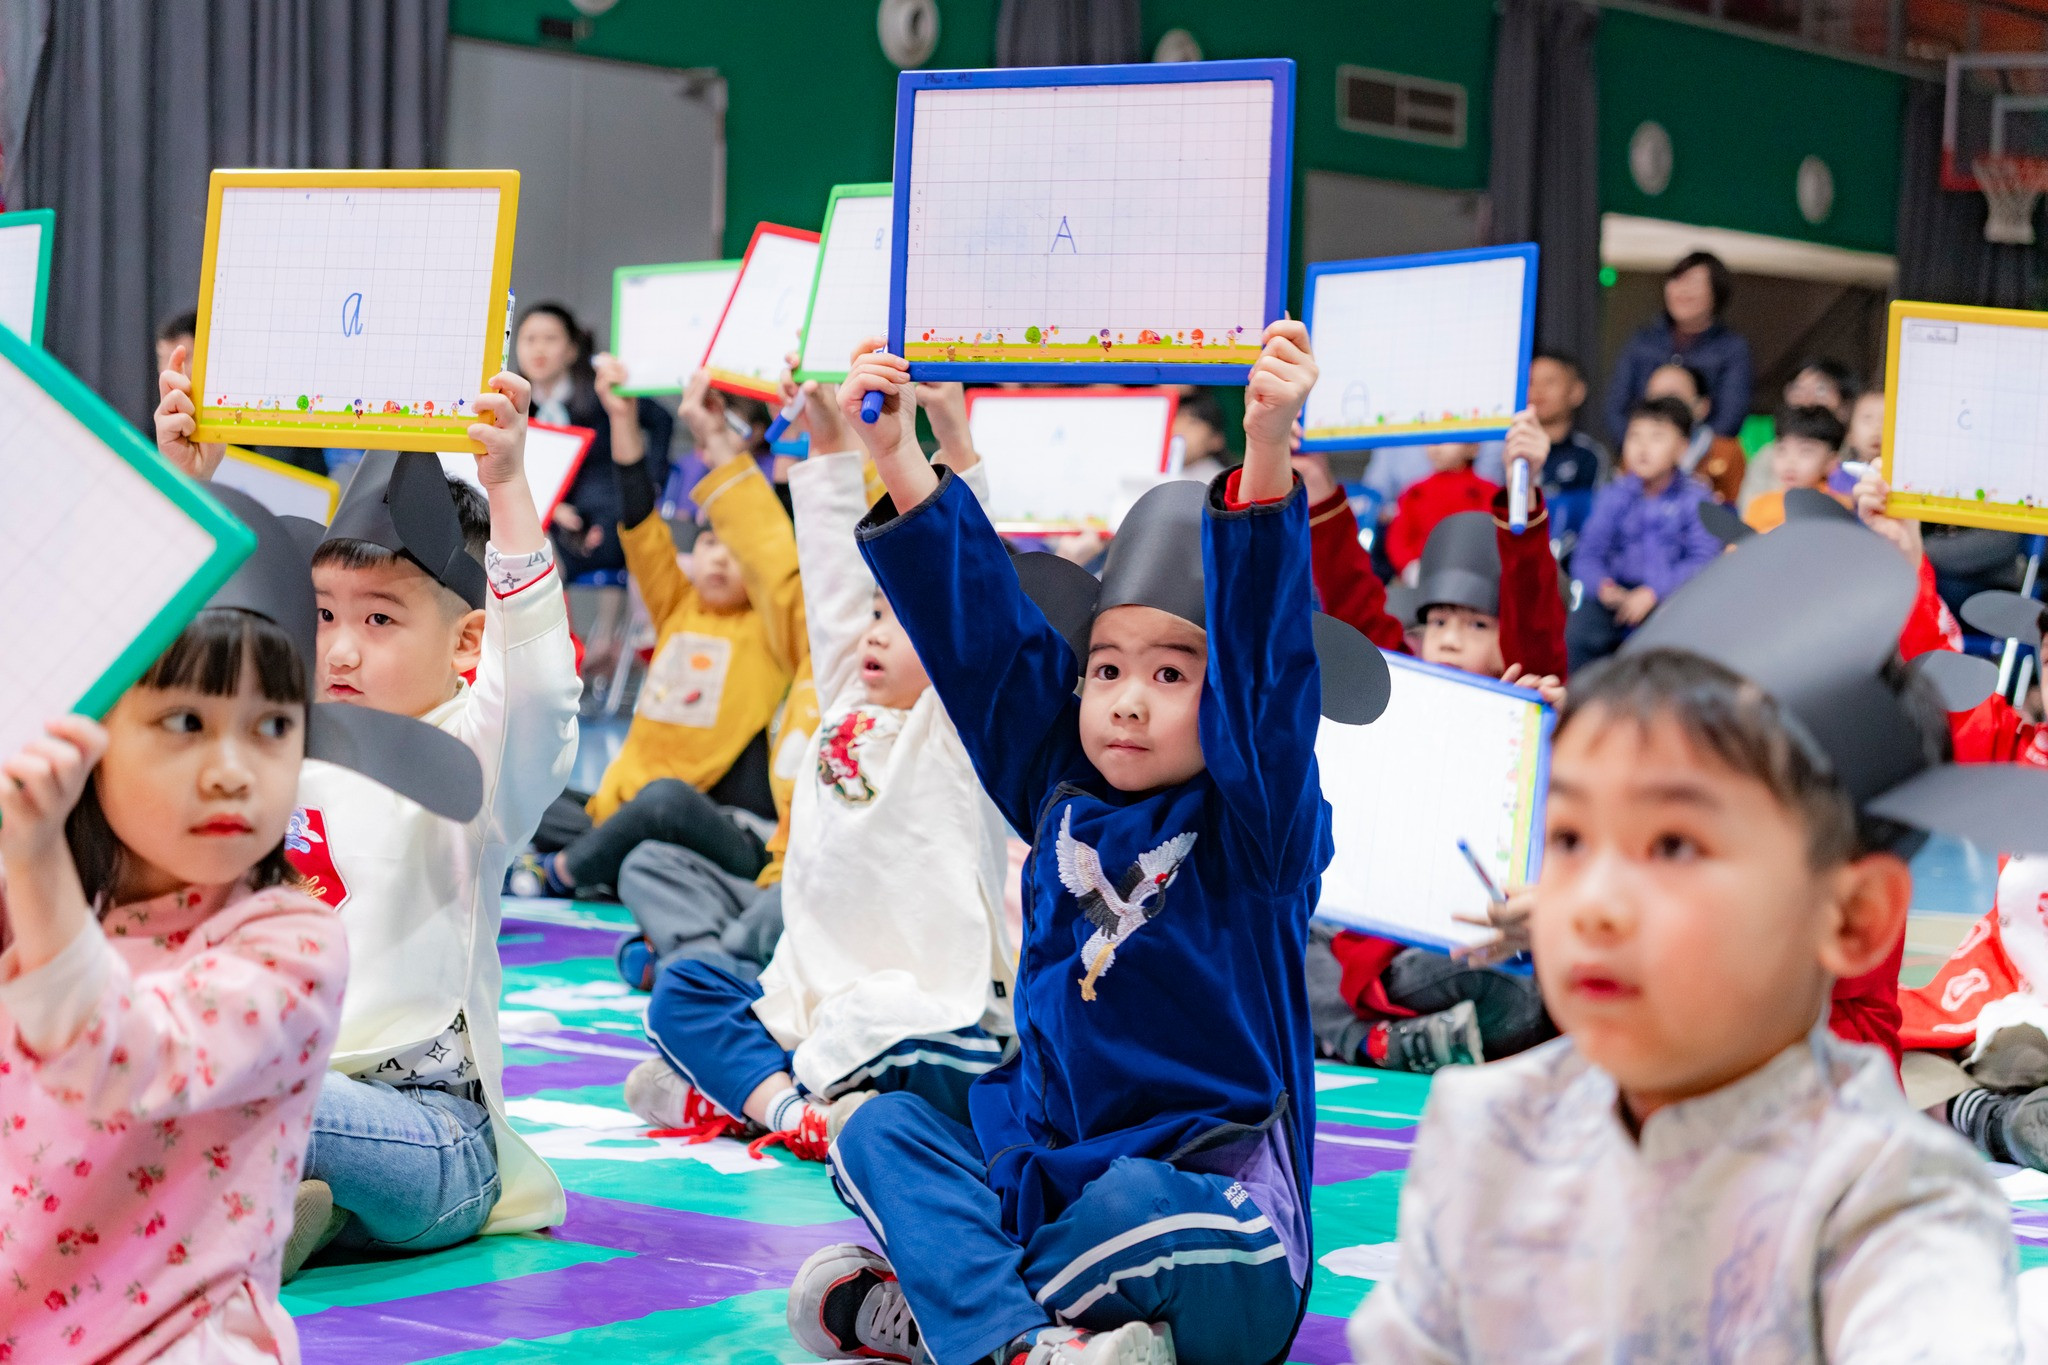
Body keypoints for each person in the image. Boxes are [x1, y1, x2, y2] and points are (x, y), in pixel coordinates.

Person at [786, 323, 1388, 1365]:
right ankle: (1026, 1340)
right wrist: (894, 455)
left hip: (1203, 1207)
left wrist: (1265, 447)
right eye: (1106, 669)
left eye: (1169, 675)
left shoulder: (1260, 831)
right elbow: (980, 640)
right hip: (1049, 1183)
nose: (1125, 702)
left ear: (1219, 695)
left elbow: (1268, 682)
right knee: (879, 1127)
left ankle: (949, 1309)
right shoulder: (1057, 784)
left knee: (1168, 1218)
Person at [1349, 521, 2038, 1361]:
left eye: (1673, 848)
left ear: (1853, 916)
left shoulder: (1896, 1204)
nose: (1595, 903)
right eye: (1571, 840)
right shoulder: (1484, 1128)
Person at [0, 484, 478, 1361]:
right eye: (186, 722)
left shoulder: (289, 940)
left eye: (270, 727)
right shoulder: (60, 907)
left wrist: (33, 873)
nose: (231, 769)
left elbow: (125, 1067)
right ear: (91, 734)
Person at [156, 360, 581, 1269]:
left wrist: (507, 486)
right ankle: (294, 1215)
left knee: (226, 1090)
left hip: (437, 1144)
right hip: (275, 1094)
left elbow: (541, 693)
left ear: (468, 642)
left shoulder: (471, 756)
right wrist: (184, 491)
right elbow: (168, 680)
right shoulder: (277, 743)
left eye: (381, 620)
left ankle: (260, 1208)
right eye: (322, 614)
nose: (340, 647)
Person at [621, 360, 1015, 1163]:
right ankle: (798, 1111)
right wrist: (829, 442)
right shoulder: (845, 699)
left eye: (900, 622)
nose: (874, 630)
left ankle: (747, 1095)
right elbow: (833, 586)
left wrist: (957, 443)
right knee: (685, 990)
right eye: (879, 613)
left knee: (950, 1064)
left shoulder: (959, 723)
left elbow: (979, 598)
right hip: (811, 996)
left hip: (921, 1009)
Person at [1294, 415, 1564, 1074]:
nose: (1446, 636)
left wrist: (1522, 499)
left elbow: (1535, 619)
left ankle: (1381, 1036)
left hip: (1492, 955)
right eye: (1436, 620)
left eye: (1473, 623)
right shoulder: (1409, 699)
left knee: (1512, 990)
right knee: (1284, 939)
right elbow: (1359, 606)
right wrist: (1325, 494)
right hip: (1394, 951)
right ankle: (1379, 1040)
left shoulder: (1528, 703)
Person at [522, 363, 804, 906]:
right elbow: (640, 526)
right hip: (627, 811)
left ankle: (559, 873)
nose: (720, 558)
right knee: (524, 793)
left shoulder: (777, 626)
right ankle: (609, 863)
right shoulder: (678, 606)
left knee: (664, 804)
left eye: (733, 548)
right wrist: (621, 418)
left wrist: (784, 434)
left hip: (727, 831)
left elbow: (777, 541)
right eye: (708, 545)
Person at [1565, 396, 1723, 670]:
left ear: (1683, 448)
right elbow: (1587, 554)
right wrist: (1603, 587)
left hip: (1671, 595)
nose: (1642, 448)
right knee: (1579, 636)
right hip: (1615, 594)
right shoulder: (1614, 494)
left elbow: (1705, 560)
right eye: (1634, 436)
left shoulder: (1697, 498)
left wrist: (1654, 592)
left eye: (1657, 437)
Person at [1603, 250, 1753, 449]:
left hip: (1702, 465)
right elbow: (1616, 407)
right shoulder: (1643, 340)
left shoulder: (1731, 348)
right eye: (1677, 280)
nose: (1683, 290)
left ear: (1717, 293)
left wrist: (1687, 455)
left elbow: (1730, 418)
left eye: (1695, 283)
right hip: (1640, 461)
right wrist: (1640, 449)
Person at [1474, 349, 1606, 506]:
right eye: (1530, 382)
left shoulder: (1589, 455)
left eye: (1549, 382)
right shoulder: (1509, 450)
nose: (1537, 390)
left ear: (1576, 392)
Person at [1736, 357, 1857, 512]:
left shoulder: (1855, 458)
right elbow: (1747, 509)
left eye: (1820, 389)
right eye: (1797, 388)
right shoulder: (1768, 455)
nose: (1807, 398)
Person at [1381, 442, 1496, 577]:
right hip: (1422, 578)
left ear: (1473, 448)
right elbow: (1398, 539)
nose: (1436, 447)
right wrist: (1410, 568)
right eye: (1432, 439)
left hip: (1474, 578)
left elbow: (1492, 538)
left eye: (1448, 439)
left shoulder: (1487, 492)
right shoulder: (1414, 492)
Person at [1744, 405, 1850, 533]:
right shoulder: (1760, 506)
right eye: (1782, 450)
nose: (1790, 462)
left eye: (1805, 452)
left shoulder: (1838, 506)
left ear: (1831, 462)